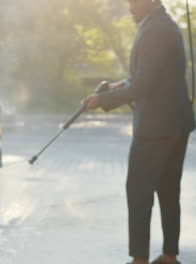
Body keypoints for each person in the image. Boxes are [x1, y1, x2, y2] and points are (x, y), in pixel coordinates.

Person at [81, 0, 195, 263]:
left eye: (133, 1)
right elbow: (149, 75)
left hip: (156, 127)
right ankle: (169, 256)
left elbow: (144, 84)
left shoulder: (155, 30)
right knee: (168, 191)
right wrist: (117, 86)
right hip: (175, 124)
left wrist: (103, 101)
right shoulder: (163, 25)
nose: (129, 6)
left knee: (139, 192)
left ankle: (140, 260)